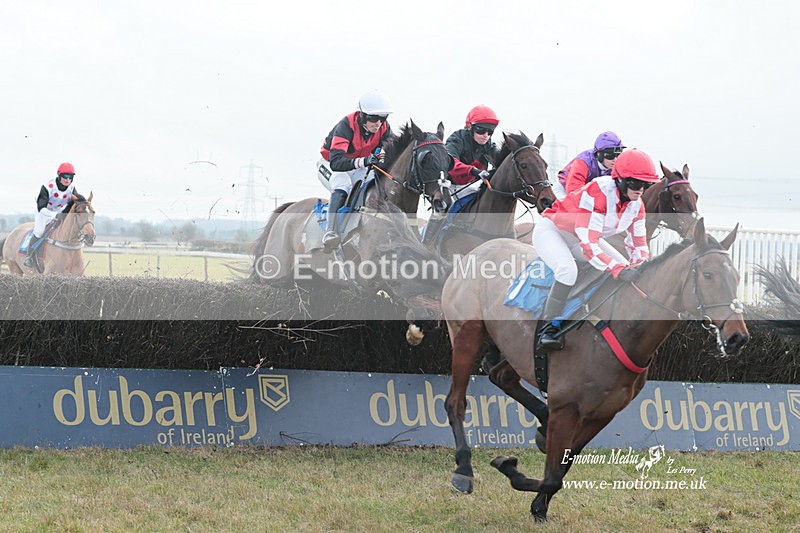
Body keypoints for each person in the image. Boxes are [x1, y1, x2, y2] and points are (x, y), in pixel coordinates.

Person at [532, 148, 660, 351]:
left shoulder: (637, 205)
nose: (641, 190)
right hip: (553, 231)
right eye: (636, 183)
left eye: (646, 184)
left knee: (626, 265)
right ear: (620, 180)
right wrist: (617, 270)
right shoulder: (599, 192)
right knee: (568, 271)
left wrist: (640, 266)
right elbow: (589, 245)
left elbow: (639, 244)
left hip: (578, 236)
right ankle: (548, 328)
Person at [317, 89, 394, 252]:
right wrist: (365, 160)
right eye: (374, 118)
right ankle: (330, 232)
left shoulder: (384, 127)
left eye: (383, 118)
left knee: (375, 184)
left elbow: (389, 150)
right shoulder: (346, 126)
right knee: (343, 185)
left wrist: (382, 156)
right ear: (362, 115)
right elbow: (337, 163)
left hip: (357, 165)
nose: (378, 123)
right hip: (331, 163)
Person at [24, 162, 86, 268]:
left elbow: (76, 201)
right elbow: (41, 207)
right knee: (39, 232)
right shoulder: (47, 187)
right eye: (65, 176)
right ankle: (29, 256)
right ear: (59, 175)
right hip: (44, 212)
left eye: (70, 177)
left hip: (59, 211)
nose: (68, 180)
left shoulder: (71, 187)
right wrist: (55, 215)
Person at [445, 104, 500, 199]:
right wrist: (473, 170)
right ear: (470, 127)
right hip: (448, 185)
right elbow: (450, 162)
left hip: (468, 185)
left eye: (490, 132)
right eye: (481, 130)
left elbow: (502, 160)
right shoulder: (457, 138)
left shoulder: (489, 145)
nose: (486, 136)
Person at [556, 131, 625, 196]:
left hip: (586, 192)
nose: (615, 160)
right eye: (610, 155)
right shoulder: (583, 162)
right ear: (599, 154)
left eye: (618, 155)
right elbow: (573, 192)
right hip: (564, 189)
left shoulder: (617, 167)